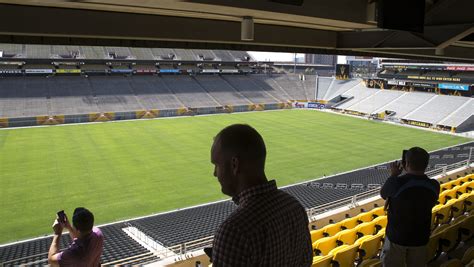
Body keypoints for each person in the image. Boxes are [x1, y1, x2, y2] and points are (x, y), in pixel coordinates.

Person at [210, 124, 312, 266]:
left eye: (217, 165)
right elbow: (306, 261)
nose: (215, 173)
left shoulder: (234, 232)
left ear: (234, 165)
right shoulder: (295, 207)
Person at [380, 147, 440, 267]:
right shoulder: (434, 185)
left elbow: (384, 194)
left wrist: (393, 175)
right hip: (421, 237)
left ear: (406, 163)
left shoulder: (397, 183)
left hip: (397, 238)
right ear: (426, 165)